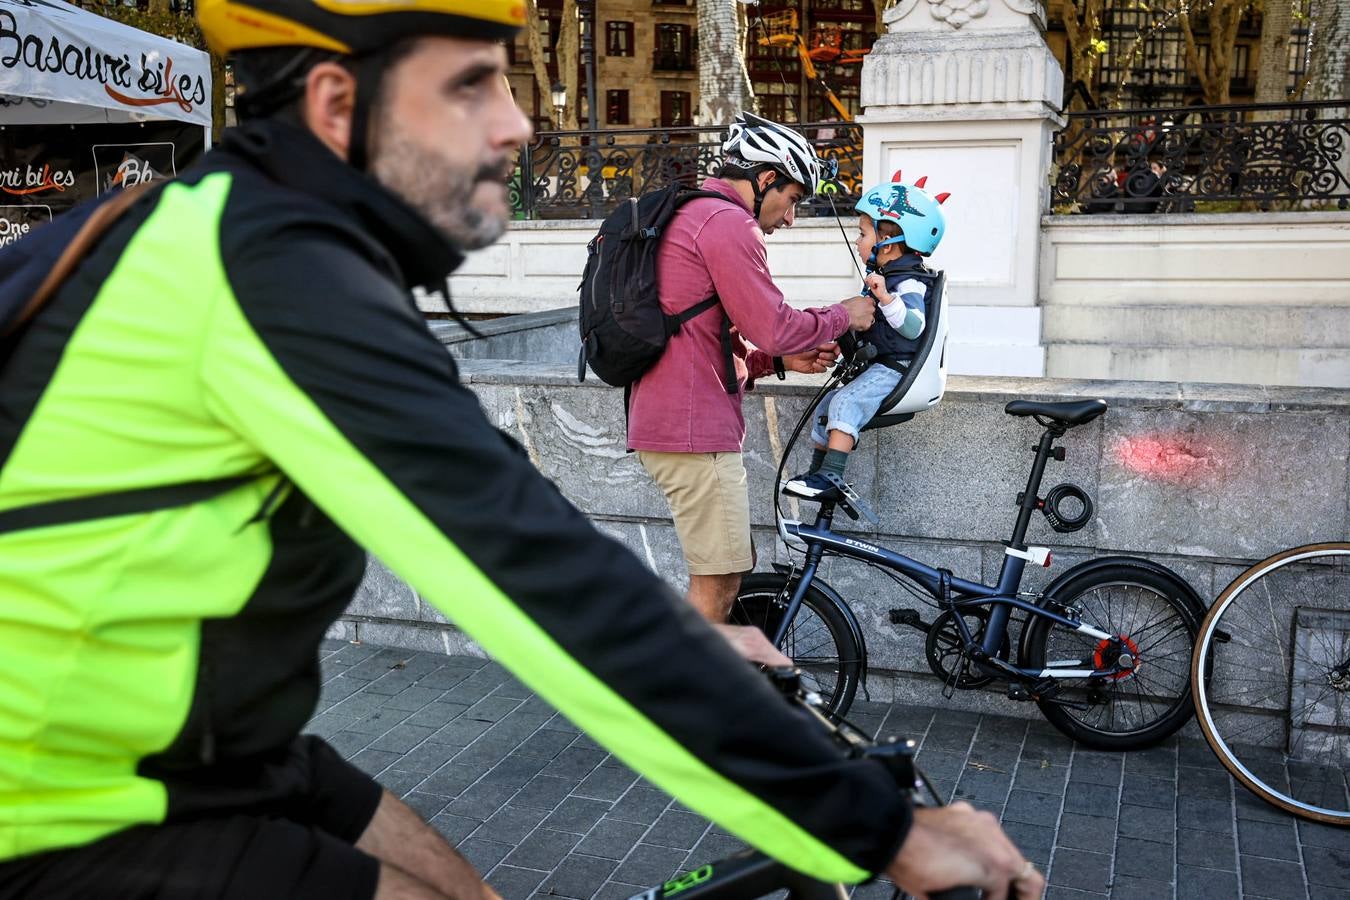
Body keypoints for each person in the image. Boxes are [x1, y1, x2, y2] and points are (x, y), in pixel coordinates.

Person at [0, 1, 1044, 897]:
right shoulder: (258, 272)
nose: (516, 122)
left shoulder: (232, 233)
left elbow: (506, 526)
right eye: (470, 86)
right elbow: (530, 570)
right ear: (334, 104)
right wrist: (881, 828)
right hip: (57, 804)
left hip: (217, 754)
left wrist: (693, 646)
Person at [627, 111, 877, 626]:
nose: (790, 218)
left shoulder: (691, 214)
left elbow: (703, 336)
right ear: (766, 179)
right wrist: (842, 316)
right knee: (718, 580)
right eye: (792, 199)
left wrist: (777, 362)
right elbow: (775, 324)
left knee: (727, 570)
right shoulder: (728, 223)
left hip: (672, 419)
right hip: (694, 432)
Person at [784, 177, 947, 501]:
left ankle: (831, 475)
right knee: (828, 406)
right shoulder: (889, 278)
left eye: (862, 233)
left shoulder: (909, 284)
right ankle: (819, 473)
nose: (858, 241)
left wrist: (886, 298)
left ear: (888, 242)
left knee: (846, 401)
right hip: (880, 365)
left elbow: (913, 327)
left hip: (895, 368)